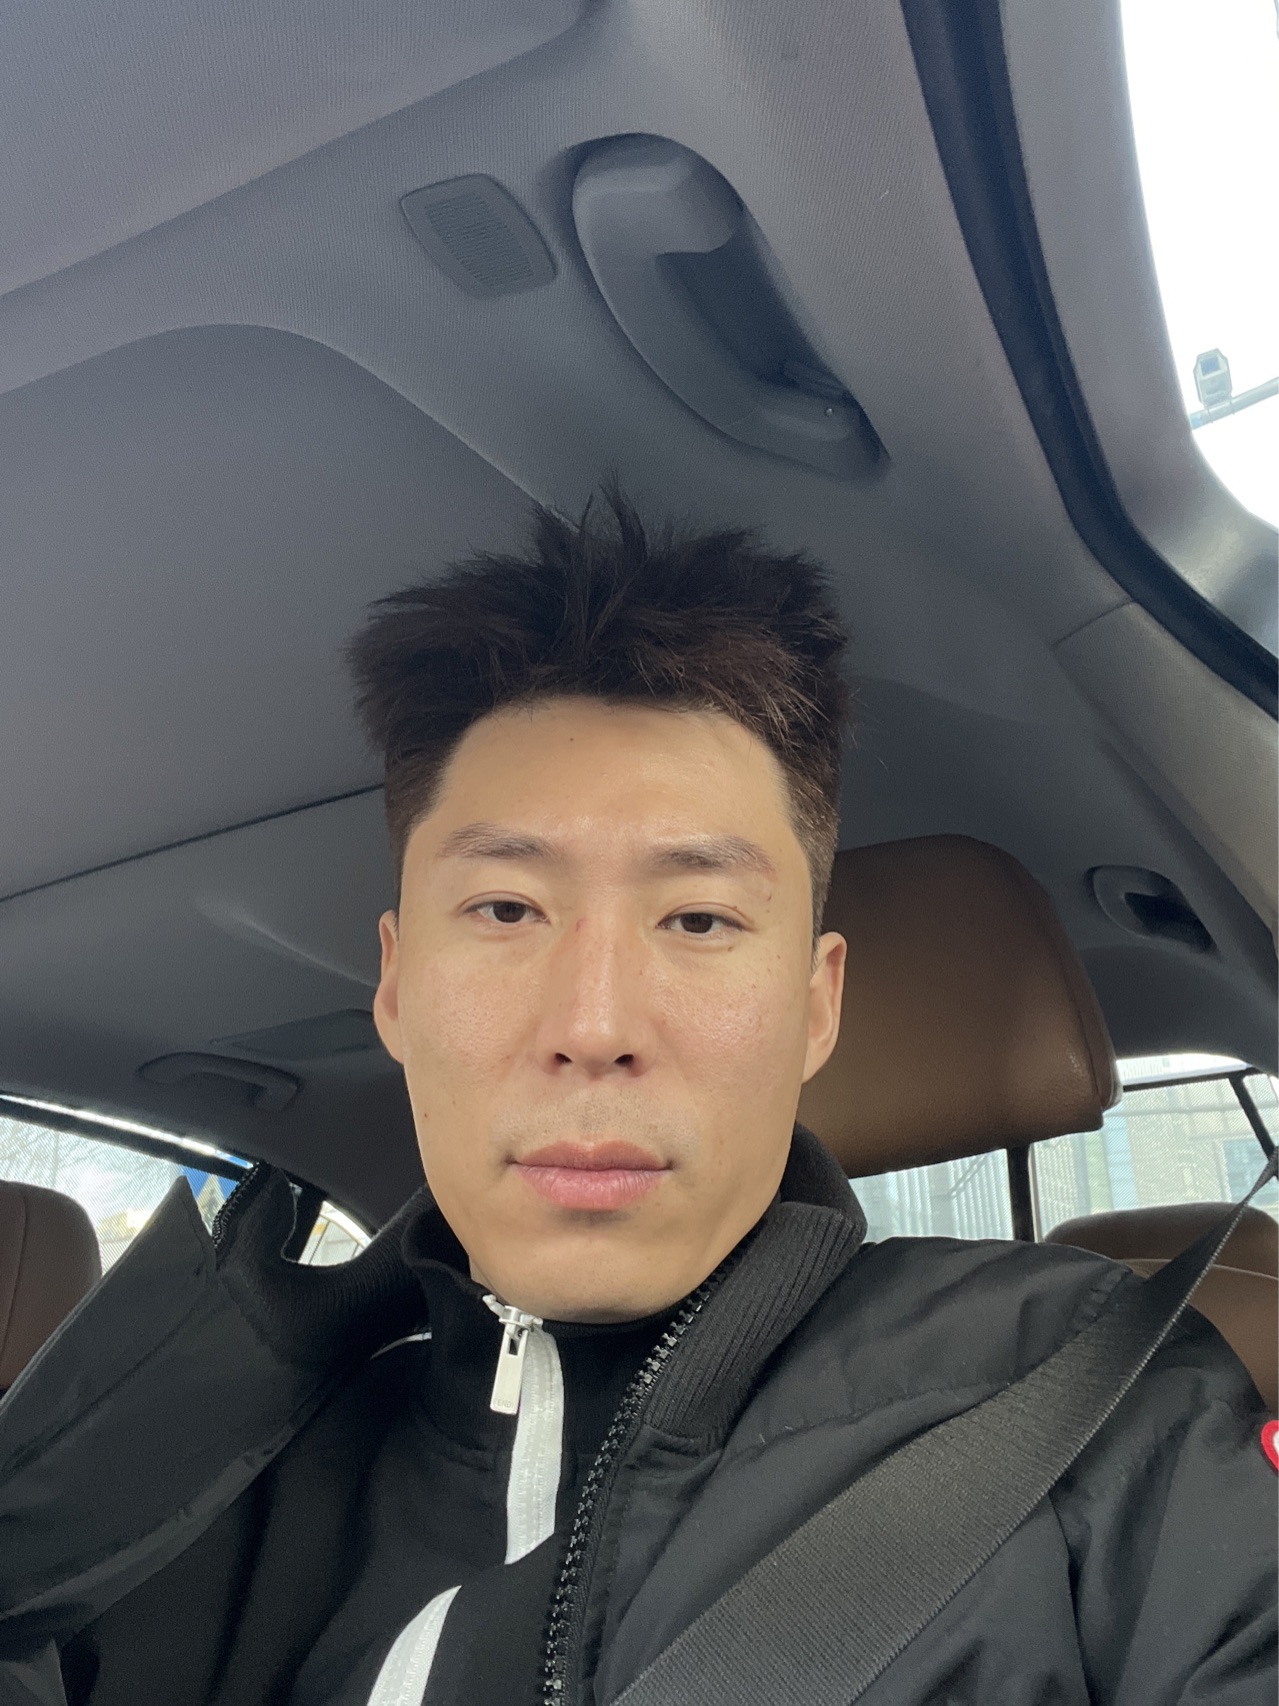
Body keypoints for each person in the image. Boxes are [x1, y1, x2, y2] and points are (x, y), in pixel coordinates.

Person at [1, 492, 1273, 1706]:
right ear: (394, 985)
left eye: (699, 917)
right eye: (507, 908)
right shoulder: (149, 1515)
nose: (595, 1026)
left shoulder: (1102, 1409)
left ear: (816, 1003)